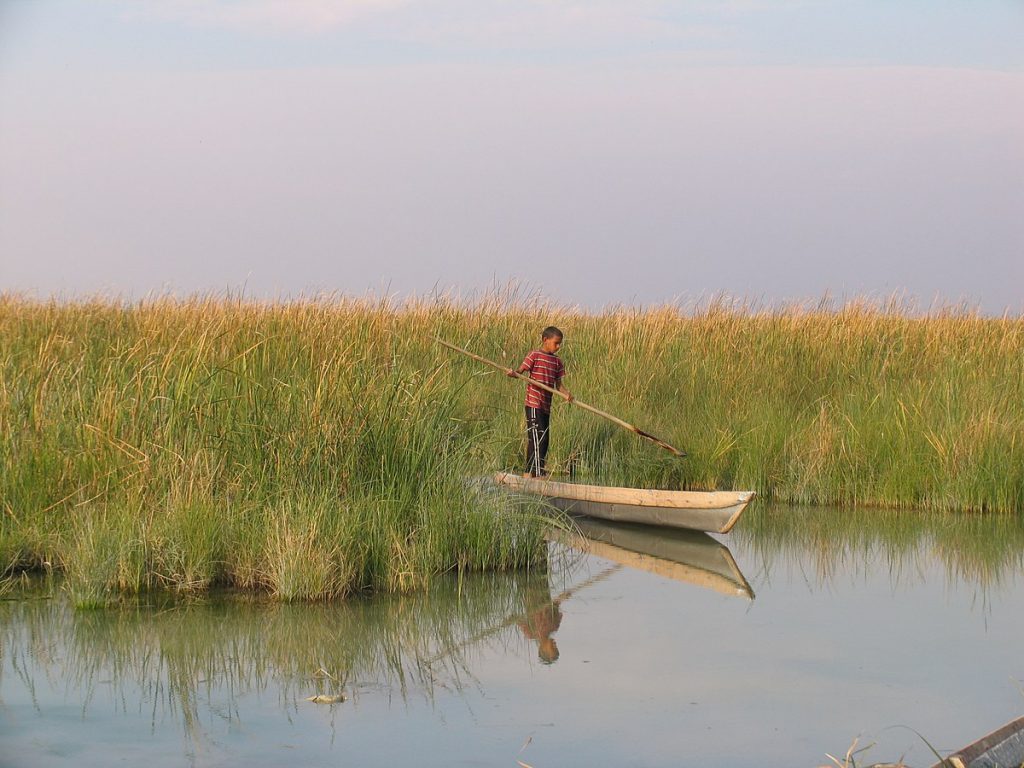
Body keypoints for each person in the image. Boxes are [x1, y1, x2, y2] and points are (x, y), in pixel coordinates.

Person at [507, 326, 573, 478]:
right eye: (556, 343)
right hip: (533, 403)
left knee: (544, 439)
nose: (558, 347)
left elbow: (559, 385)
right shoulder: (534, 355)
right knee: (537, 438)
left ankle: (529, 473)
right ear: (545, 340)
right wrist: (513, 373)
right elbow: (520, 372)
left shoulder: (557, 361)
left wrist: (567, 394)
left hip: (545, 406)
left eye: (560, 343)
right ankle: (537, 472)